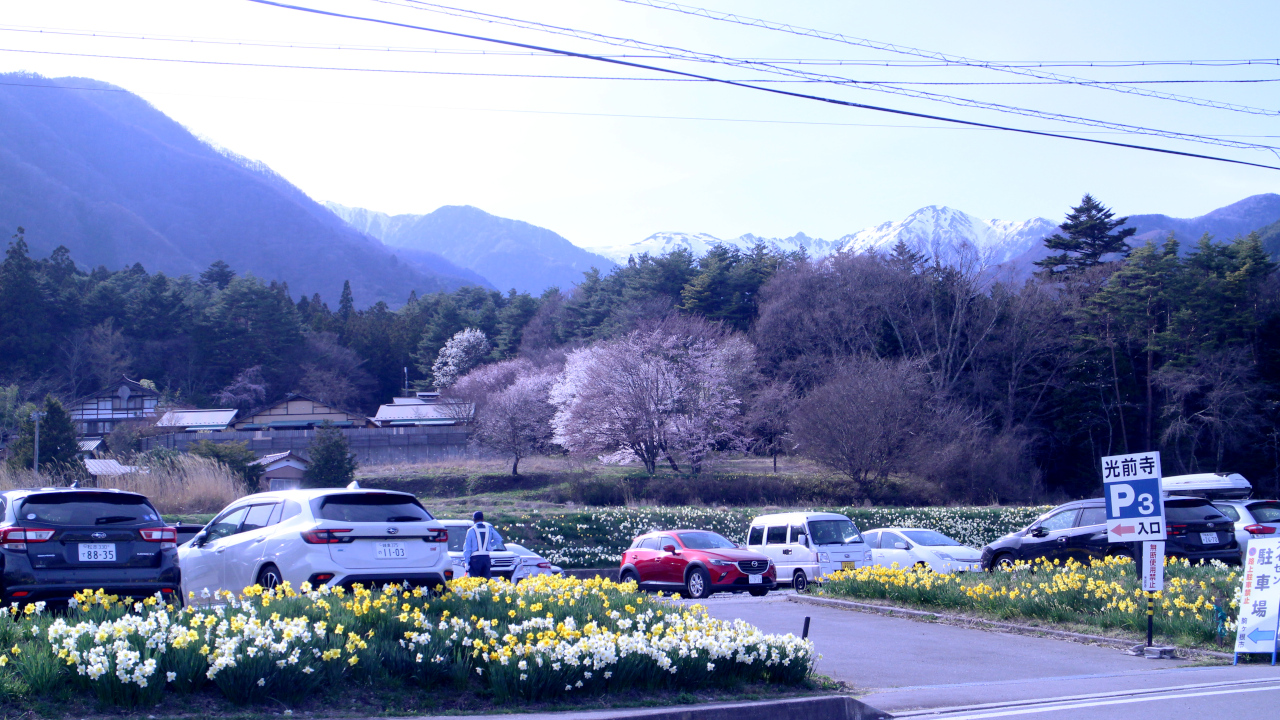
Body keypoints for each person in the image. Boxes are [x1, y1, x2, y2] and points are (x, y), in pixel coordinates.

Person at [462, 510, 503, 580]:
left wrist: (466, 562)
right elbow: (499, 539)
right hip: (486, 558)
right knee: (486, 581)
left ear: (474, 520)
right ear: (483, 519)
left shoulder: (471, 530)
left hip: (475, 558)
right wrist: (489, 545)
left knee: (475, 582)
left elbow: (467, 548)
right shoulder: (489, 529)